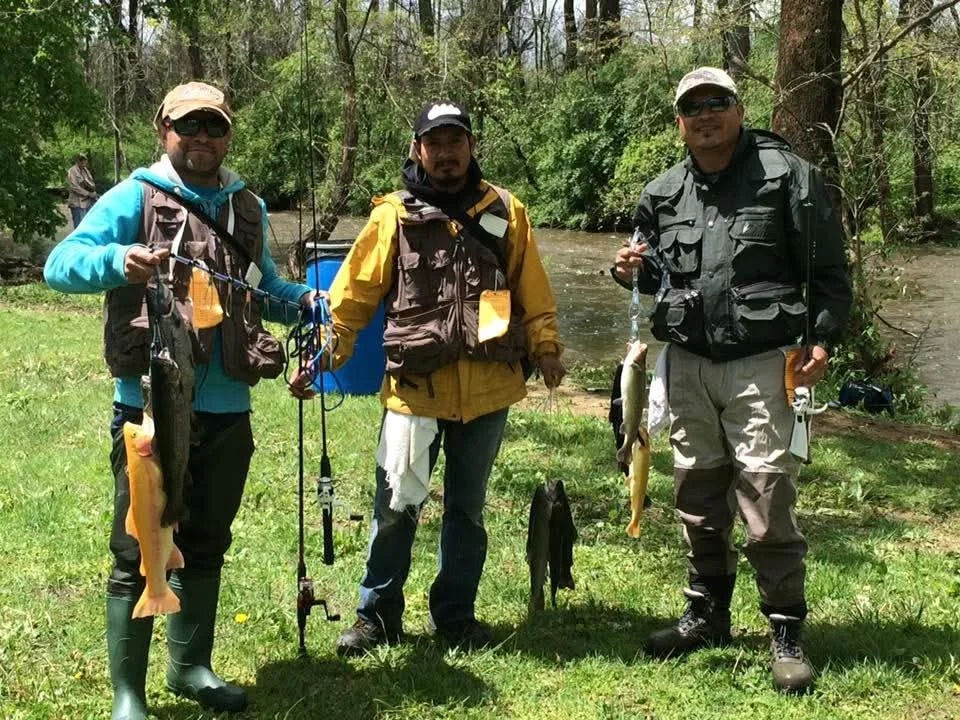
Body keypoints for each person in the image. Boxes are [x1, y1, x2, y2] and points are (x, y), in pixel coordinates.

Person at [44, 81, 315, 720]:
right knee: (138, 545)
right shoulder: (133, 197)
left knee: (207, 539)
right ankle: (128, 693)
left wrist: (306, 300)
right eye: (188, 125)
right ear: (163, 130)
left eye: (214, 126)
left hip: (228, 411)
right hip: (150, 412)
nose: (202, 137)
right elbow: (60, 263)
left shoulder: (248, 207)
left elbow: (264, 289)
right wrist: (118, 259)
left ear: (228, 136)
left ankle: (190, 666)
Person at [292, 101, 565, 656]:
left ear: (471, 146)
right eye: (434, 143)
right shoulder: (392, 215)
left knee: (467, 510)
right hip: (414, 393)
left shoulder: (508, 211)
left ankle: (456, 616)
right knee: (396, 506)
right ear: (418, 150)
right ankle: (376, 616)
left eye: (455, 141)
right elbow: (350, 301)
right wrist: (324, 356)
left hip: (488, 390)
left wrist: (547, 348)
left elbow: (532, 292)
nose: (445, 153)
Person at [612, 67, 851, 693]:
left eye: (717, 102)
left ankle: (785, 629)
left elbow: (829, 272)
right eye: (693, 107)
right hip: (687, 365)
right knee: (696, 495)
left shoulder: (789, 179)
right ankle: (706, 613)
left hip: (764, 363)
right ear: (679, 123)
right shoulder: (661, 193)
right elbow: (650, 278)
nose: (706, 115)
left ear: (740, 111)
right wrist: (627, 271)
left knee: (766, 497)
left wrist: (822, 340)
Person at [67, 152, 98, 228]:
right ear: (77, 160)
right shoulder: (72, 171)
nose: (83, 161)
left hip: (88, 203)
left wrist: (93, 193)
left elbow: (91, 184)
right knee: (79, 226)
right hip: (77, 203)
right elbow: (74, 186)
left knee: (88, 225)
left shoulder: (86, 171)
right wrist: (88, 194)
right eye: (81, 159)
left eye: (84, 160)